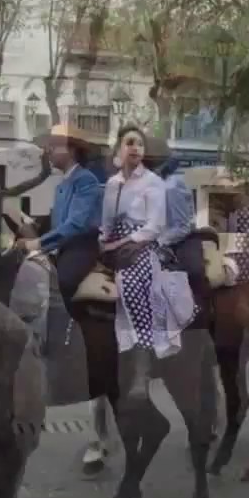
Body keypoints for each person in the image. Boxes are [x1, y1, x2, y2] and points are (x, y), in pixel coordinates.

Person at [100, 125, 166, 397]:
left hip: (141, 246)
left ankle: (142, 373)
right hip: (112, 245)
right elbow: (105, 223)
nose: (135, 148)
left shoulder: (152, 182)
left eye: (140, 144)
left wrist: (123, 243)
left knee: (135, 284)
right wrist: (102, 241)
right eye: (130, 143)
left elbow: (155, 226)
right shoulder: (113, 184)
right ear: (120, 148)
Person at [14, 124, 103, 314]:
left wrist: (35, 244)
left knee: (62, 282)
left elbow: (75, 224)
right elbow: (57, 221)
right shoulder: (63, 183)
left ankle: (68, 334)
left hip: (80, 247)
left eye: (54, 145)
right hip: (61, 247)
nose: (49, 150)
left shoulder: (85, 180)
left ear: (71, 150)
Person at [157, 154, 208, 307]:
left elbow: (182, 227)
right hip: (162, 236)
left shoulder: (171, 187)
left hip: (182, 238)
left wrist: (159, 241)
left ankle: (197, 309)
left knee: (192, 271)